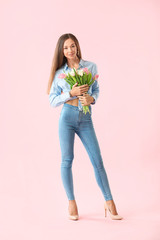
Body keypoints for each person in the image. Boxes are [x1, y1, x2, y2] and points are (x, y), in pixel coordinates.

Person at [47, 33, 123, 221]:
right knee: (67, 160)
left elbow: (96, 90)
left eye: (72, 46)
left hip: (86, 119)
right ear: (62, 52)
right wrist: (69, 93)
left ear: (77, 46)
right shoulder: (59, 73)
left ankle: (109, 201)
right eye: (65, 48)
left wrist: (92, 99)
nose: (70, 50)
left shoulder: (90, 67)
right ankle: (71, 202)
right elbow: (52, 100)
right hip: (66, 118)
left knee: (97, 161)